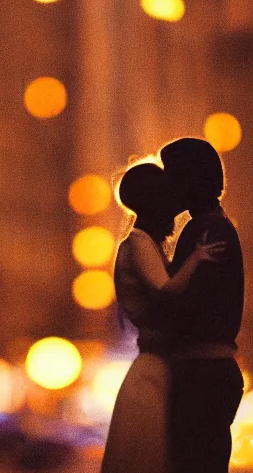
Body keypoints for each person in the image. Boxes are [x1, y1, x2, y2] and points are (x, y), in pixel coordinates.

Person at [101, 162, 225, 473]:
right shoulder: (140, 241)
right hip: (153, 370)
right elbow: (166, 288)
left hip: (156, 364)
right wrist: (197, 257)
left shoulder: (143, 241)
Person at [159, 137, 245, 473]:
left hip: (201, 374)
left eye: (171, 176)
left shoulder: (205, 230)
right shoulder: (208, 225)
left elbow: (184, 303)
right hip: (209, 372)